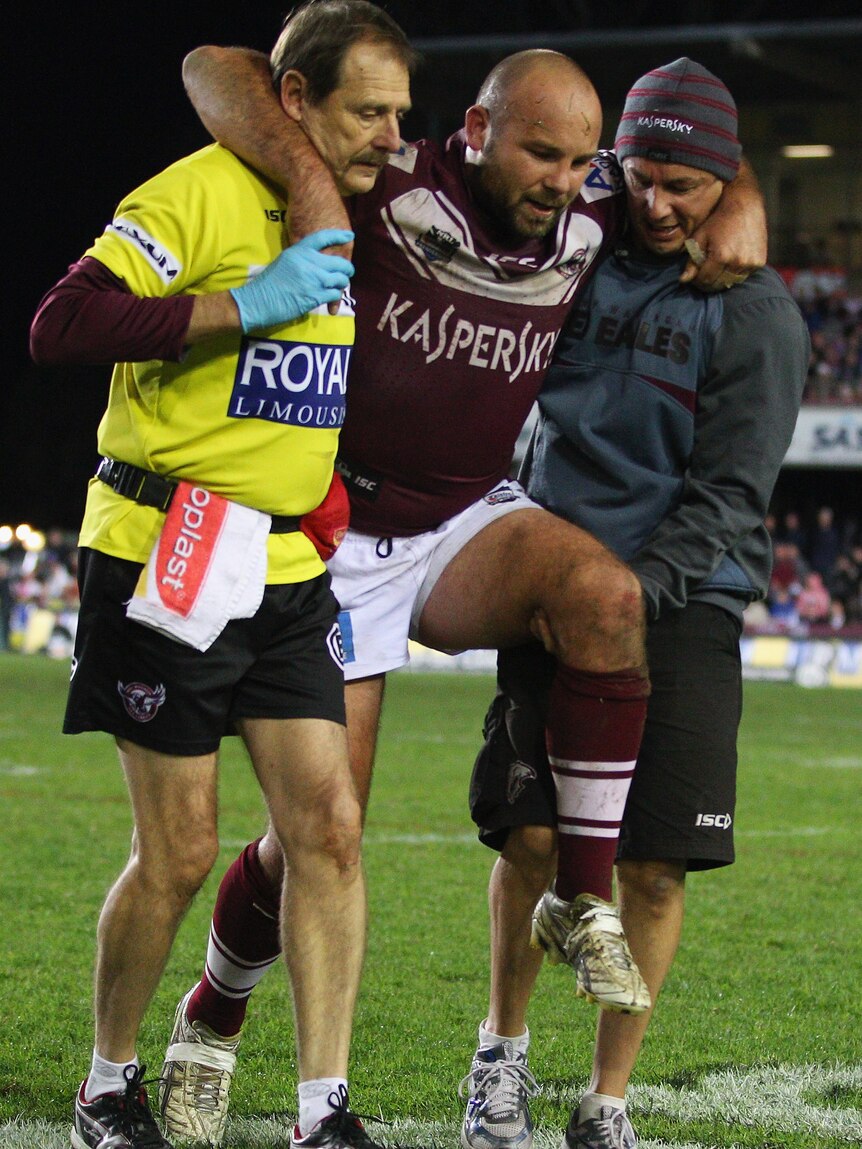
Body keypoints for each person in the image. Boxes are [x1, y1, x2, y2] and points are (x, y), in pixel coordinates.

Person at [153, 30, 768, 1147]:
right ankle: (211, 1015)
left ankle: (579, 900)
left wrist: (746, 195)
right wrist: (301, 171)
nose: (567, 183)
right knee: (316, 836)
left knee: (603, 599)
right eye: (543, 154)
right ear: (475, 130)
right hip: (333, 528)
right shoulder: (388, 180)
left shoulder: (587, 214)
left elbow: (680, 163)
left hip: (457, 521)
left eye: (585, 164)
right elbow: (210, 67)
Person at [28, 4, 414, 1148]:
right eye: (368, 111)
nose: (393, 137)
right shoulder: (195, 191)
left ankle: (321, 1110)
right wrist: (241, 306)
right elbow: (62, 324)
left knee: (328, 831)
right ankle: (107, 1083)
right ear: (295, 104)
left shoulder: (348, 212)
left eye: (402, 114)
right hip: (167, 550)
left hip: (288, 563)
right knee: (184, 849)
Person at [464, 58, 809, 1149]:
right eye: (639, 177)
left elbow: (728, 495)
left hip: (686, 599)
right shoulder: (572, 248)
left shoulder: (755, 317)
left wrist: (622, 600)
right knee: (527, 841)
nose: (658, 205)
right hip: (551, 578)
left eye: (687, 187)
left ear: (726, 182)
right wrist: (572, 590)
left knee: (654, 866)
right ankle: (501, 1061)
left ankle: (606, 1104)